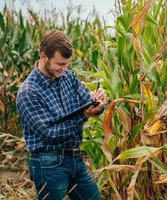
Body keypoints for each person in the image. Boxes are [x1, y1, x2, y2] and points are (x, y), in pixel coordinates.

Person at [16, 30, 108, 200]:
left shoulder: (68, 77)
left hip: (75, 158)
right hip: (48, 163)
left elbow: (86, 102)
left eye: (66, 64)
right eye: (60, 64)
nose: (64, 69)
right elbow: (50, 134)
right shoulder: (29, 92)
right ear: (44, 56)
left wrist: (98, 102)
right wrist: (85, 115)